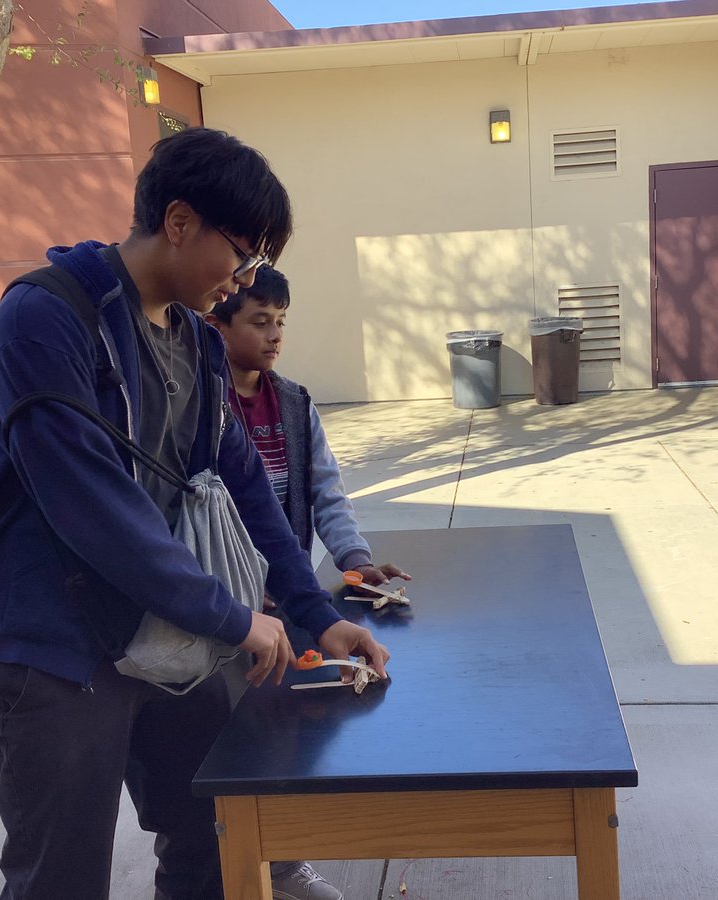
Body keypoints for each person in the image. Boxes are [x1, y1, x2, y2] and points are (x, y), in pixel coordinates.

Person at [0, 128, 388, 900]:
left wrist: (314, 612)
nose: (245, 276)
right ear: (180, 221)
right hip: (56, 650)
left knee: (216, 840)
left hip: (168, 639)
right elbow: (92, 505)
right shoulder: (44, 321)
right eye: (243, 251)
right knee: (62, 877)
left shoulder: (194, 338)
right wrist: (230, 616)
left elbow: (244, 484)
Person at [206, 269, 409, 899]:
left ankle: (286, 869)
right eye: (259, 321)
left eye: (281, 321)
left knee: (286, 737)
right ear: (219, 323)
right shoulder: (197, 402)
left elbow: (325, 491)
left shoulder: (293, 403)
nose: (274, 335)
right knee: (228, 751)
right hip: (223, 613)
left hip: (290, 602)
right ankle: (230, 867)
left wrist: (353, 557)